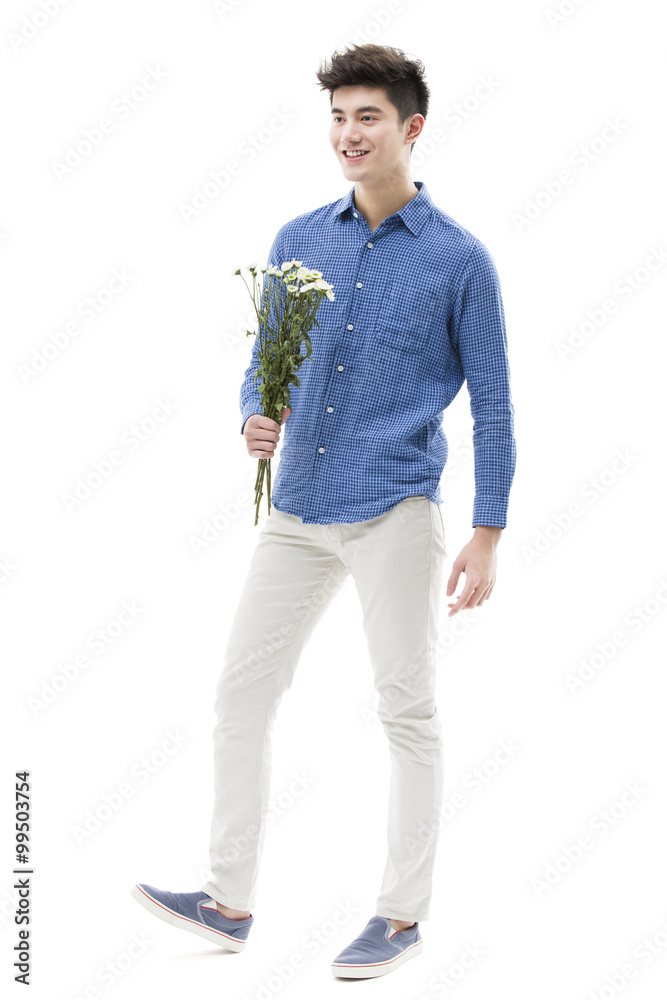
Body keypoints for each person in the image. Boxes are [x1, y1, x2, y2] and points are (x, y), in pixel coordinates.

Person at [131, 41, 516, 979]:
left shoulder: (460, 261)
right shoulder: (299, 238)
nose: (348, 133)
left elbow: (495, 404)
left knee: (405, 709)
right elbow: (265, 364)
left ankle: (400, 916)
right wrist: (252, 418)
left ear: (410, 129)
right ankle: (228, 902)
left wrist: (486, 531)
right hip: (296, 508)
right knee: (239, 696)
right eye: (339, 117)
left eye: (367, 117)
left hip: (394, 508)